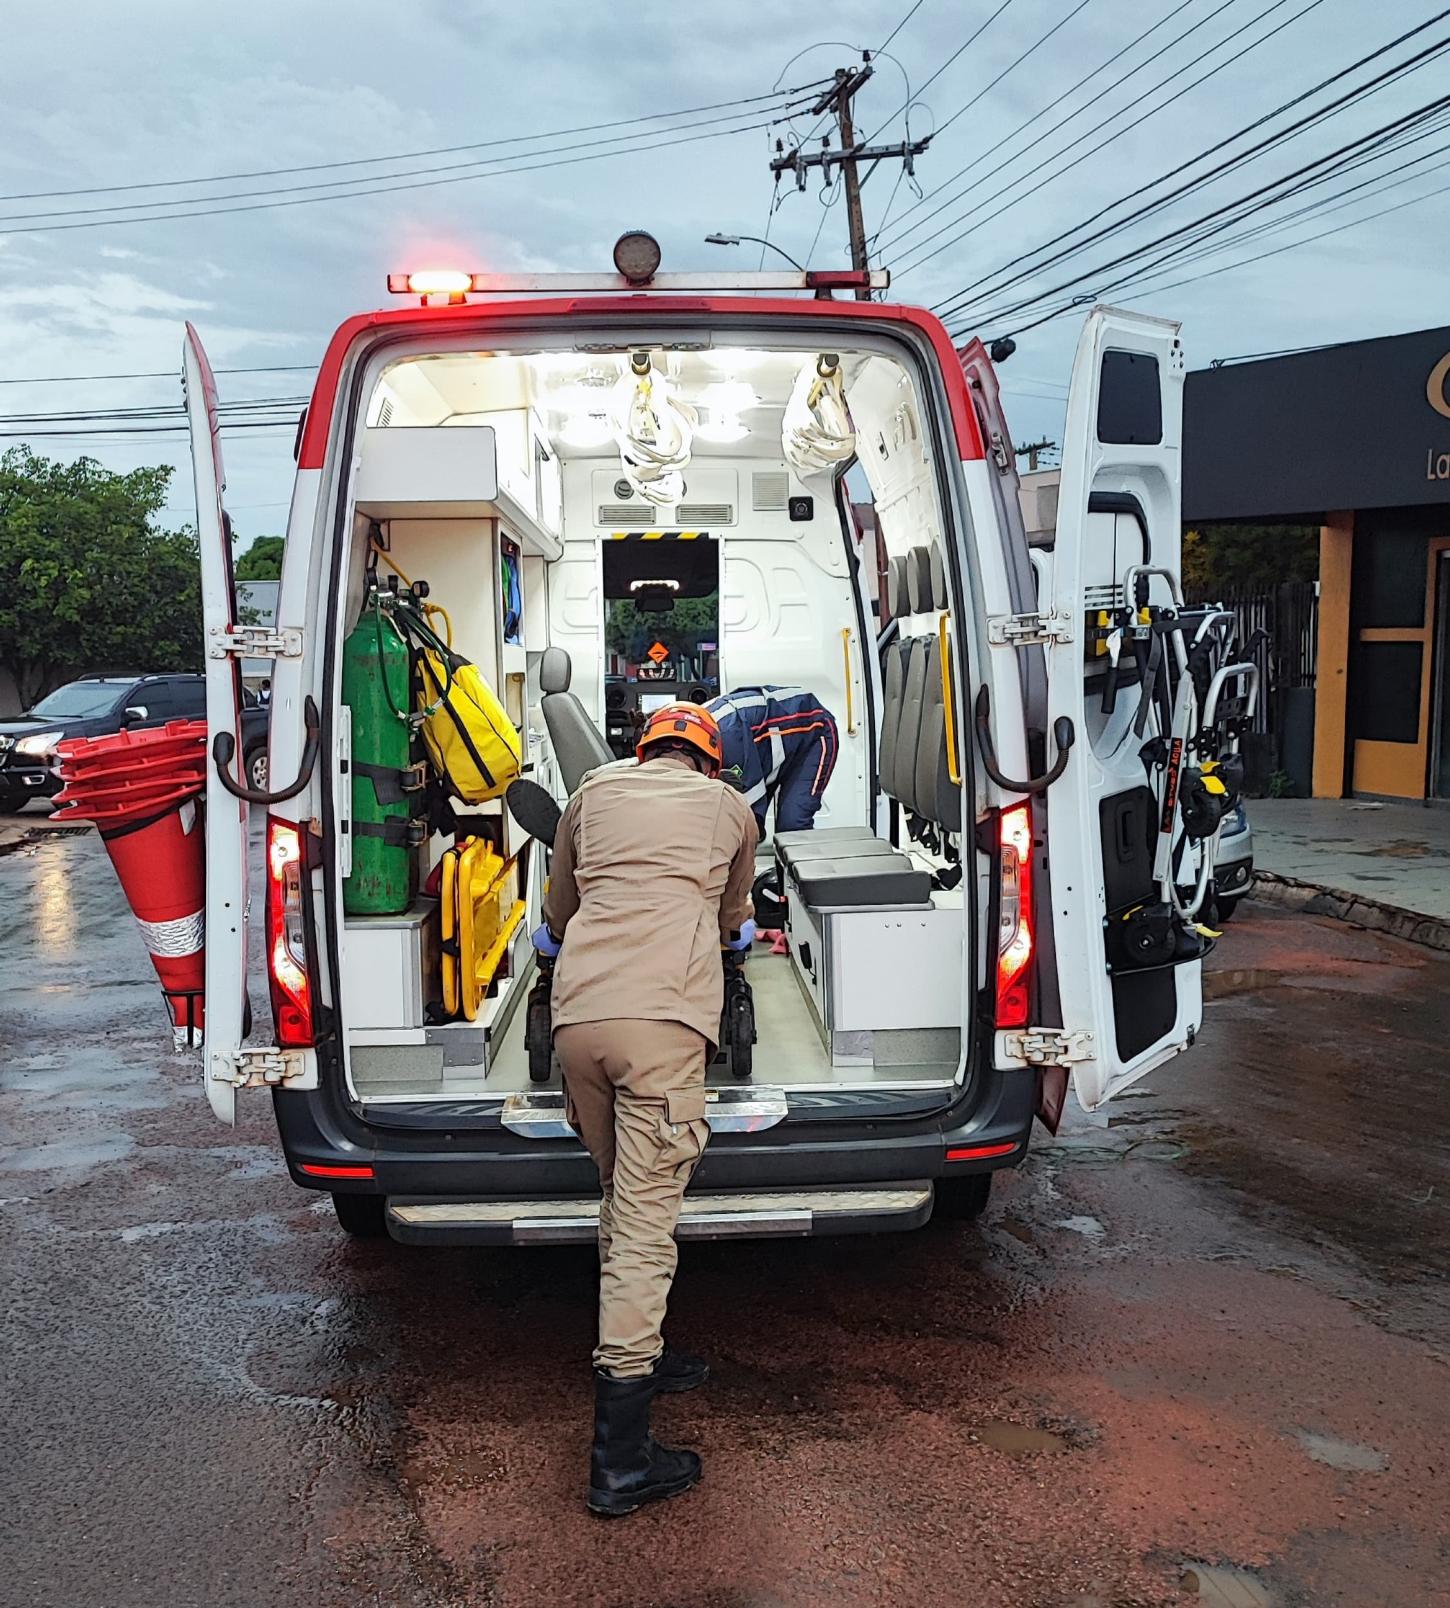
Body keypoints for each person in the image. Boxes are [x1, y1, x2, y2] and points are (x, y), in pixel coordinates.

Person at [533, 700, 758, 1518]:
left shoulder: (592, 791)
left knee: (619, 1198)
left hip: (578, 1022)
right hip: (662, 1027)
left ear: (645, 750)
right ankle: (621, 1462)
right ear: (710, 760)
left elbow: (558, 910)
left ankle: (645, 1347)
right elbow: (735, 918)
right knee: (641, 1230)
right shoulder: (729, 808)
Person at [705, 684, 839, 838]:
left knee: (792, 826)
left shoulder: (726, 739)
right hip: (765, 744)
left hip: (814, 730)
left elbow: (750, 820)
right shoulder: (685, 738)